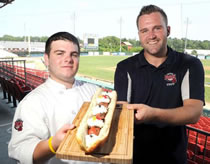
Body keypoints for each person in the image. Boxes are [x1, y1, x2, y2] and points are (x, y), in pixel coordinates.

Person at [114, 4, 205, 164]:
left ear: (168, 30)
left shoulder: (189, 64)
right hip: (134, 158)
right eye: (145, 31)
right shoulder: (125, 67)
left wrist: (153, 114)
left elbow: (194, 112)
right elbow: (122, 110)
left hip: (174, 158)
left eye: (157, 28)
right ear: (139, 34)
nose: (151, 35)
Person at [8, 32, 100, 164]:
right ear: (46, 59)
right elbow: (20, 150)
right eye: (60, 53)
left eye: (74, 54)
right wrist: (53, 144)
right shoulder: (32, 102)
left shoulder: (94, 90)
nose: (68, 59)